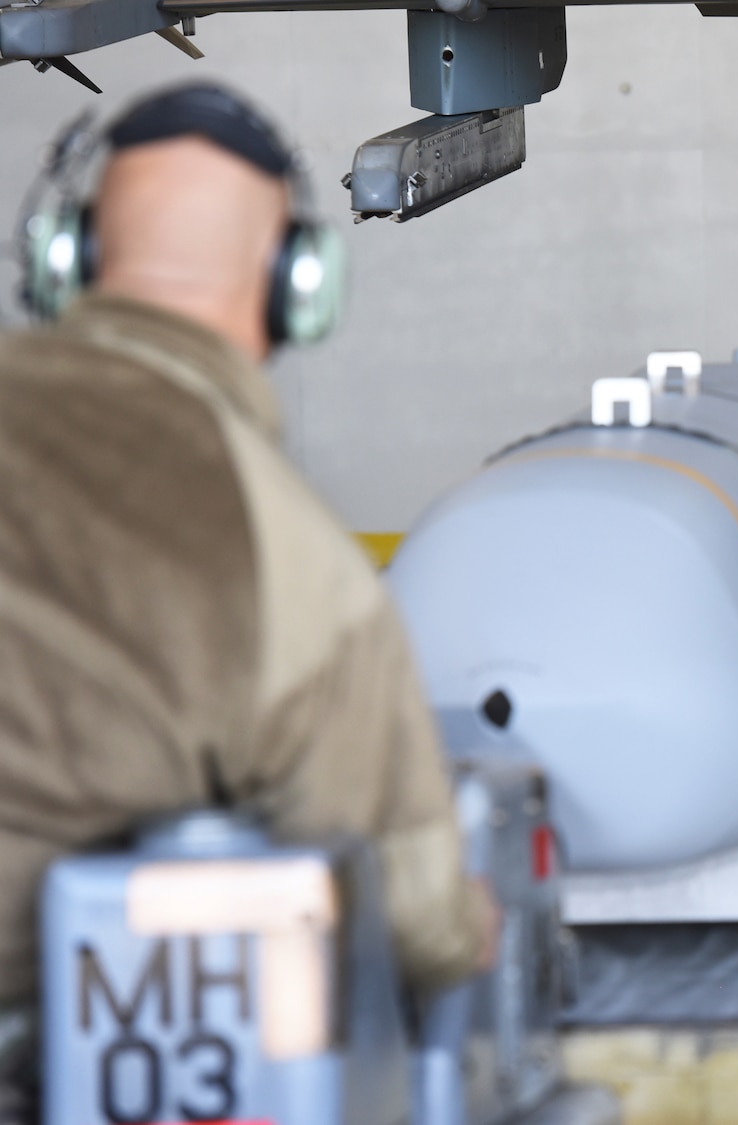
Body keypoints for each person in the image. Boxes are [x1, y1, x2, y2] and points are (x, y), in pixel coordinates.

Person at [0, 84, 493, 1019]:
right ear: (296, 287)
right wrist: (479, 922)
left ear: (65, 256)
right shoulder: (290, 559)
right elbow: (419, 923)